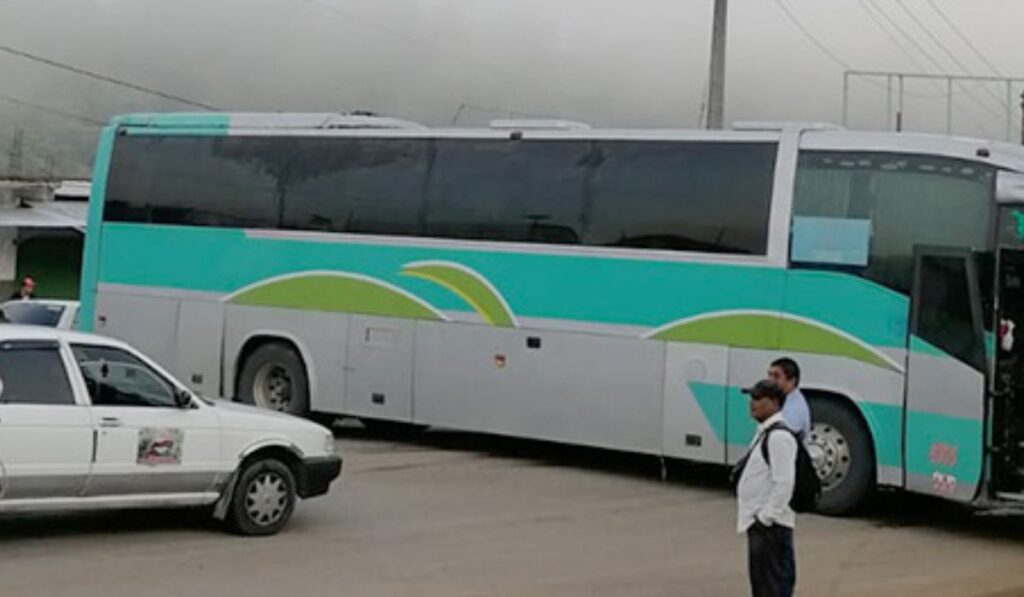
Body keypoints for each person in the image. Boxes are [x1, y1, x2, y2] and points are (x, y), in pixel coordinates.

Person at [737, 379, 797, 597]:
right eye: (751, 398)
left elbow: (784, 483)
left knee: (772, 587)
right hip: (763, 526)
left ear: (773, 402)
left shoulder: (779, 437)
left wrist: (764, 519)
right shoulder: (765, 431)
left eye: (758, 398)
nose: (752, 403)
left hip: (772, 528)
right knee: (762, 587)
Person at [768, 357, 810, 442]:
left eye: (776, 376)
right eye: (769, 375)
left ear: (791, 380)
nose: (770, 380)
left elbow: (780, 440)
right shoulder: (783, 399)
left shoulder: (795, 409)